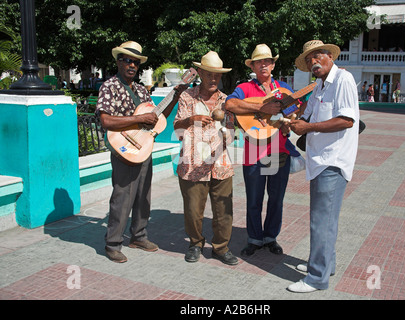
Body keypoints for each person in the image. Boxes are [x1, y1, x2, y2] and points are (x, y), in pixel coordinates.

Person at [96, 41, 187, 263]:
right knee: (122, 197)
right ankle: (113, 243)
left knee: (143, 196)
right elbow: (105, 120)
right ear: (118, 61)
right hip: (122, 148)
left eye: (136, 62)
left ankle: (138, 236)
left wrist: (175, 95)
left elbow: (155, 116)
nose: (132, 65)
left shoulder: (140, 90)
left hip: (143, 148)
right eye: (127, 60)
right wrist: (138, 119)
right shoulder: (109, 86)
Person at [287, 40, 359, 293]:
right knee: (326, 220)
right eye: (308, 60)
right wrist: (295, 121)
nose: (313, 62)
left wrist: (307, 128)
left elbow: (347, 120)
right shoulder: (319, 86)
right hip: (319, 161)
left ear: (330, 56)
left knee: (321, 221)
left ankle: (317, 278)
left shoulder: (343, 80)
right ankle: (326, 265)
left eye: (317, 56)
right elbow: (309, 116)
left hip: (332, 161)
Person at [225, 44, 293, 257]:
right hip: (254, 152)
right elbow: (230, 104)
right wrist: (260, 108)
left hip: (279, 151)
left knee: (276, 199)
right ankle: (254, 238)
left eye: (268, 61)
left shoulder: (283, 89)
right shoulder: (245, 88)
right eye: (259, 62)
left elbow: (293, 112)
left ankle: (270, 237)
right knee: (254, 199)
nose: (263, 65)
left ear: (273, 65)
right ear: (253, 65)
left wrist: (289, 119)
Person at [173, 51, 238, 265]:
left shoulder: (227, 101)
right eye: (209, 74)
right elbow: (176, 126)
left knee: (223, 212)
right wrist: (191, 120)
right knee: (193, 211)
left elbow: (232, 131)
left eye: (217, 75)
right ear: (200, 72)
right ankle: (195, 243)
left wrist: (228, 134)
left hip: (220, 163)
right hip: (192, 165)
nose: (213, 79)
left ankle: (221, 248)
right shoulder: (187, 97)